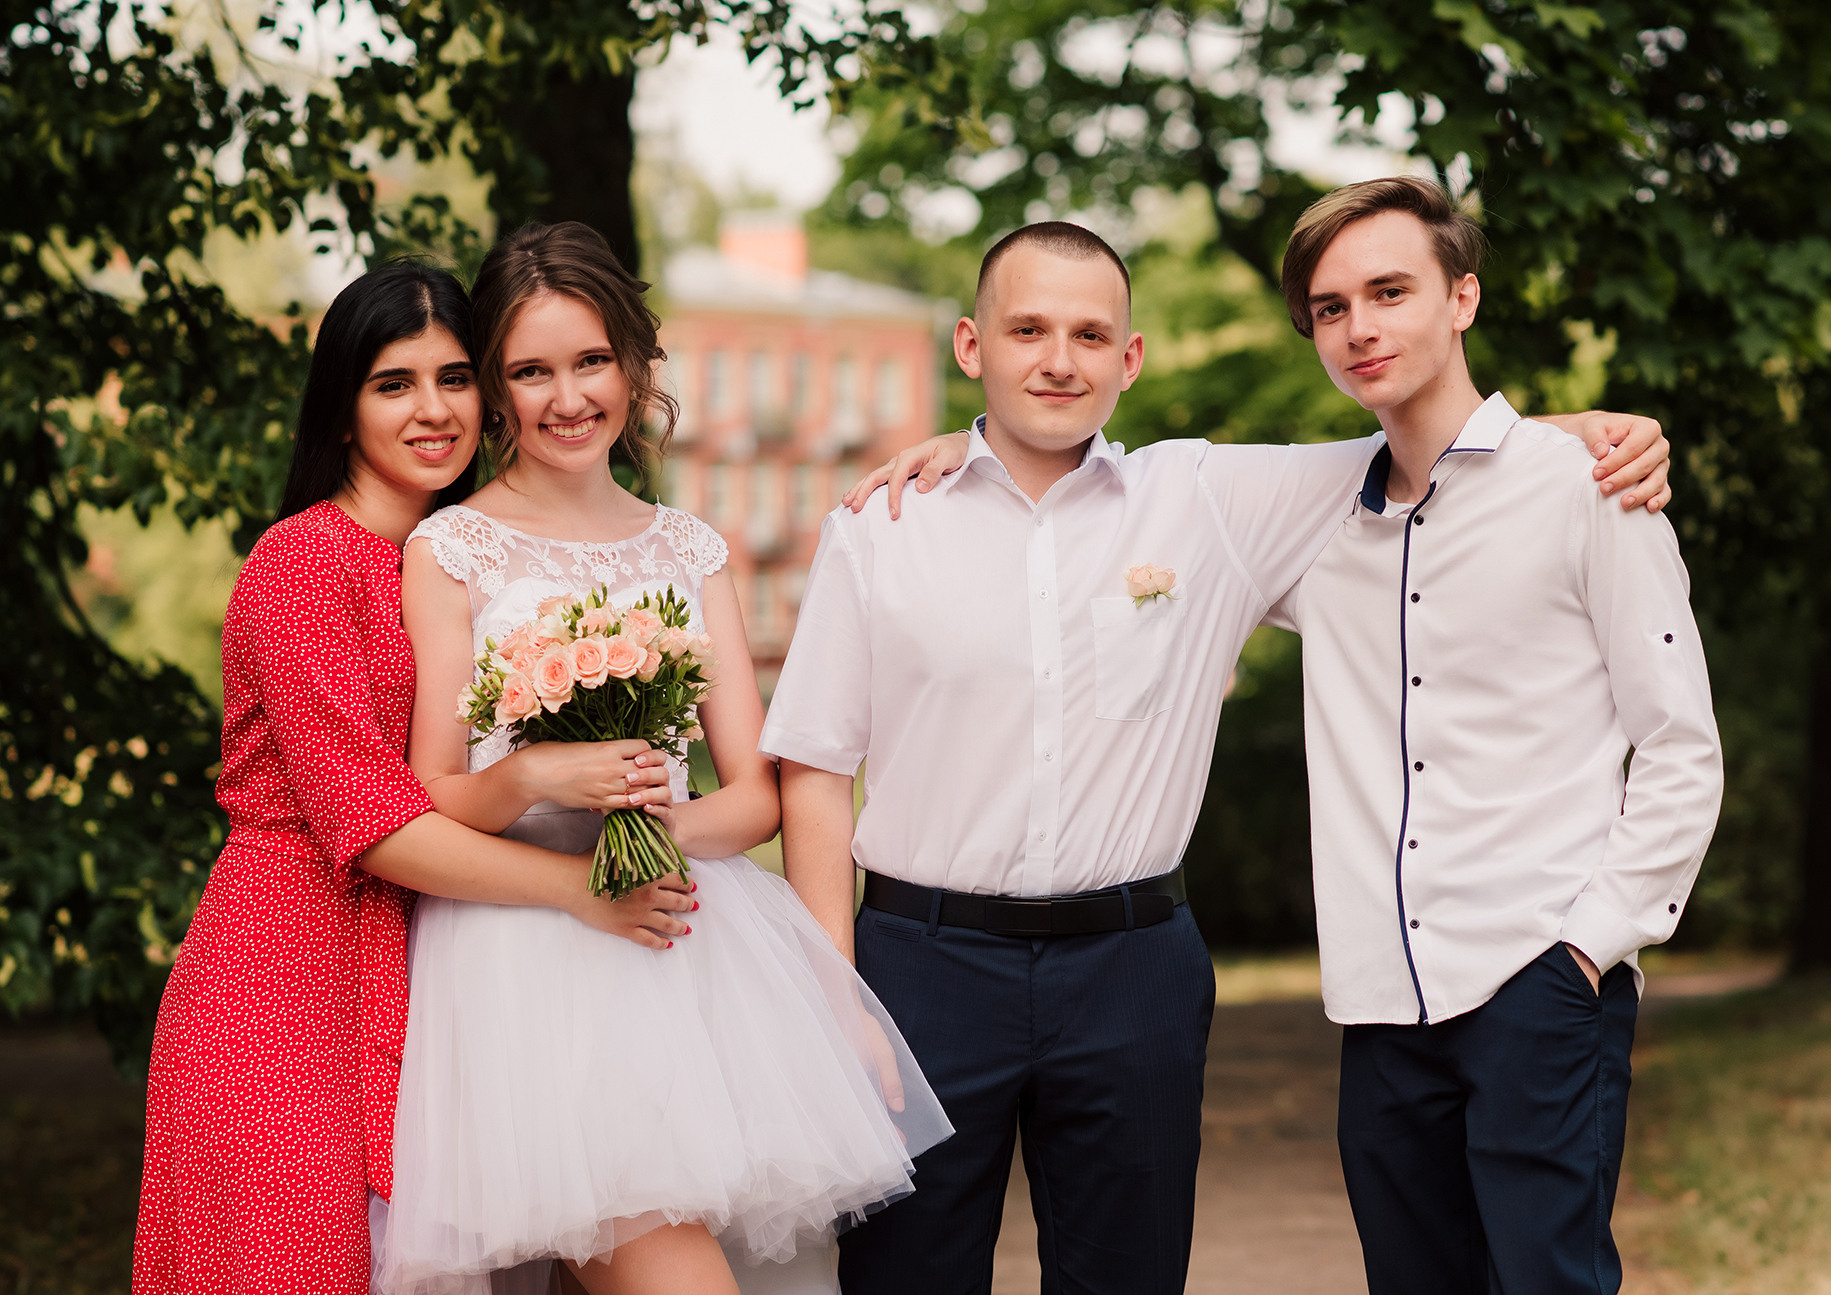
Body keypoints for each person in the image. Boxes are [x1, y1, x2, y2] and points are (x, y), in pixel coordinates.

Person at [765, 220, 1671, 1295]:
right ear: (972, 346)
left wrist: (1589, 433)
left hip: (1131, 968)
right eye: (1027, 330)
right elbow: (813, 766)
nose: (1058, 358)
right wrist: (838, 995)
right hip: (921, 966)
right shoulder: (880, 525)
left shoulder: (1207, 499)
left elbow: (1441, 446)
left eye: (1089, 333)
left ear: (1128, 360)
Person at [370, 221, 950, 1295]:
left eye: (590, 360)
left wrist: (649, 830)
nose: (566, 395)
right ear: (495, 389)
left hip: (686, 943)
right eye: (529, 370)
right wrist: (537, 778)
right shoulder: (453, 549)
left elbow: (754, 797)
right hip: (524, 959)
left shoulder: (687, 548)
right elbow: (430, 789)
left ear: (635, 367)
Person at [133, 261, 698, 1295]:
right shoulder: (303, 565)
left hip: (428, 962)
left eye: (451, 377)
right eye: (393, 383)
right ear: (342, 409)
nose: (432, 410)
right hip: (286, 973)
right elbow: (373, 821)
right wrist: (580, 891)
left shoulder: (458, 559)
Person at [1267, 177, 1722, 1293]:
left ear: (1461, 296)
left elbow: (1678, 743)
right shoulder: (1306, 519)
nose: (1359, 327)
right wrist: (971, 439)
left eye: (1388, 291)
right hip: (1379, 1004)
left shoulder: (1585, 487)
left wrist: (1584, 948)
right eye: (1330, 308)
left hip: (1537, 977)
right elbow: (1120, 497)